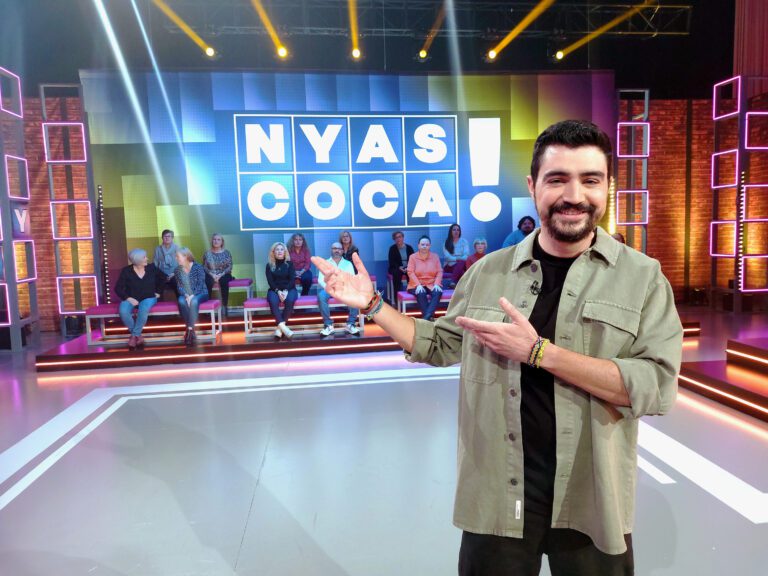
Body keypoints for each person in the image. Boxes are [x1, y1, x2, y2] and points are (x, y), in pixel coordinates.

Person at [312, 119, 683, 575]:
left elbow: (655, 386)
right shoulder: (487, 272)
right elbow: (440, 343)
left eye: (590, 180)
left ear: (608, 186)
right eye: (557, 179)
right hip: (499, 495)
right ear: (532, 186)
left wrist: (539, 352)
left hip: (591, 496)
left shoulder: (643, 278)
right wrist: (373, 305)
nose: (574, 195)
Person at [115, 248, 165, 350]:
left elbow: (163, 278)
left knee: (143, 308)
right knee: (123, 311)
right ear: (137, 260)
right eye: (144, 257)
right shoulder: (126, 271)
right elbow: (118, 288)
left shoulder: (151, 268)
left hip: (149, 297)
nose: (147, 258)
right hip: (131, 297)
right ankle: (138, 336)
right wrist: (128, 298)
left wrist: (158, 292)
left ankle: (134, 335)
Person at [317, 242, 360, 337]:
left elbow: (351, 278)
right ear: (331, 250)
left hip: (343, 289)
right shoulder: (325, 263)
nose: (337, 250)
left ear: (342, 251)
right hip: (329, 288)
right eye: (334, 248)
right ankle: (328, 325)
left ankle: (350, 324)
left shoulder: (348, 264)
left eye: (339, 249)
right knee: (321, 295)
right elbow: (321, 279)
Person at [174, 247, 209, 346]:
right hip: (186, 294)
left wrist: (192, 296)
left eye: (178, 256)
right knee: (181, 301)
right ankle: (191, 330)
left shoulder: (198, 267)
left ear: (185, 256)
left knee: (194, 301)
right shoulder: (177, 270)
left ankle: (189, 330)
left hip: (201, 293)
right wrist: (186, 295)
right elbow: (180, 286)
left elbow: (200, 284)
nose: (176, 258)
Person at [265, 241, 298, 339]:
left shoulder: (289, 264)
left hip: (289, 289)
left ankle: (279, 329)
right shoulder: (269, 265)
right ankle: (284, 328)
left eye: (281, 249)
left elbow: (292, 280)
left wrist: (286, 291)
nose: (279, 251)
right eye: (277, 250)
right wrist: (278, 291)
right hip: (274, 289)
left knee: (290, 300)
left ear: (285, 252)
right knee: (272, 300)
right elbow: (270, 282)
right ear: (273, 252)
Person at [406, 235, 443, 321]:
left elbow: (439, 271)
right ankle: (429, 318)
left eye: (427, 245)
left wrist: (437, 284)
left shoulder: (435, 256)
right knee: (421, 293)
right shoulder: (412, 257)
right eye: (422, 244)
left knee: (437, 292)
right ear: (418, 245)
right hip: (416, 284)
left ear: (430, 246)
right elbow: (410, 272)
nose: (424, 246)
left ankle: (426, 318)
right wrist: (418, 285)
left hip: (432, 283)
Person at [203, 233, 234, 316]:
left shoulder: (226, 253)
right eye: (214, 239)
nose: (216, 241)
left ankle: (224, 306)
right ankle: (207, 307)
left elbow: (230, 266)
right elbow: (204, 267)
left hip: (224, 274)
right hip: (211, 274)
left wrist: (220, 275)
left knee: (224, 281)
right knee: (207, 282)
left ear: (222, 242)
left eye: (218, 239)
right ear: (212, 241)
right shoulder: (207, 253)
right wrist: (212, 275)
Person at [387, 230, 414, 304]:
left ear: (403, 237)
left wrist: (408, 267)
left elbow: (413, 260)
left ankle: (412, 294)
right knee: (396, 274)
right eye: (396, 238)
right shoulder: (392, 248)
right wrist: (399, 267)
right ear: (394, 239)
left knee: (411, 274)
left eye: (400, 237)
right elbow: (392, 261)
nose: (398, 239)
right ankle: (397, 298)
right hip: (397, 268)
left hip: (408, 267)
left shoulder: (409, 247)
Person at [153, 229, 179, 299]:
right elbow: (155, 264)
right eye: (165, 236)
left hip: (174, 274)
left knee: (177, 282)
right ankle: (159, 303)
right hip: (161, 274)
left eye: (169, 236)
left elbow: (181, 264)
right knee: (157, 284)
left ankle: (180, 301)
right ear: (162, 238)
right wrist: (161, 275)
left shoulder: (177, 248)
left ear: (172, 238)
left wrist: (174, 274)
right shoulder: (157, 249)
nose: (167, 238)